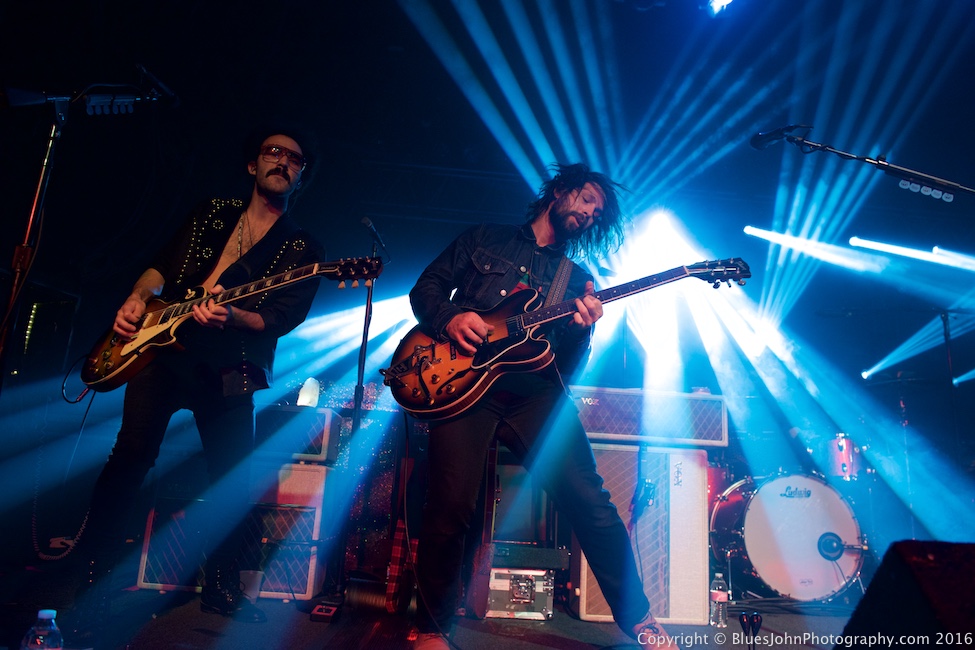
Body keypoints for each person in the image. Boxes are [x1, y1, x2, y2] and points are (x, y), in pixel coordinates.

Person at [67, 125, 326, 643]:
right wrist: (139, 298)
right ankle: (90, 577)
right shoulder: (210, 213)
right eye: (272, 152)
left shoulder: (303, 247)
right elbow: (159, 268)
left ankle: (222, 586)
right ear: (252, 165)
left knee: (233, 477)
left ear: (300, 176)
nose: (282, 161)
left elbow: (278, 318)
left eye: (294, 158)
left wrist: (234, 318)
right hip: (162, 350)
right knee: (131, 456)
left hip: (231, 368)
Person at [407, 163, 674, 648]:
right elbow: (424, 290)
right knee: (449, 505)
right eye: (587, 200)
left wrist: (579, 329)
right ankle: (430, 628)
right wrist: (452, 317)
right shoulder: (484, 238)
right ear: (558, 191)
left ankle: (640, 620)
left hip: (535, 395)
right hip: (466, 385)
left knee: (592, 504)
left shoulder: (578, 280)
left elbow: (567, 369)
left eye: (598, 211)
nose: (591, 213)